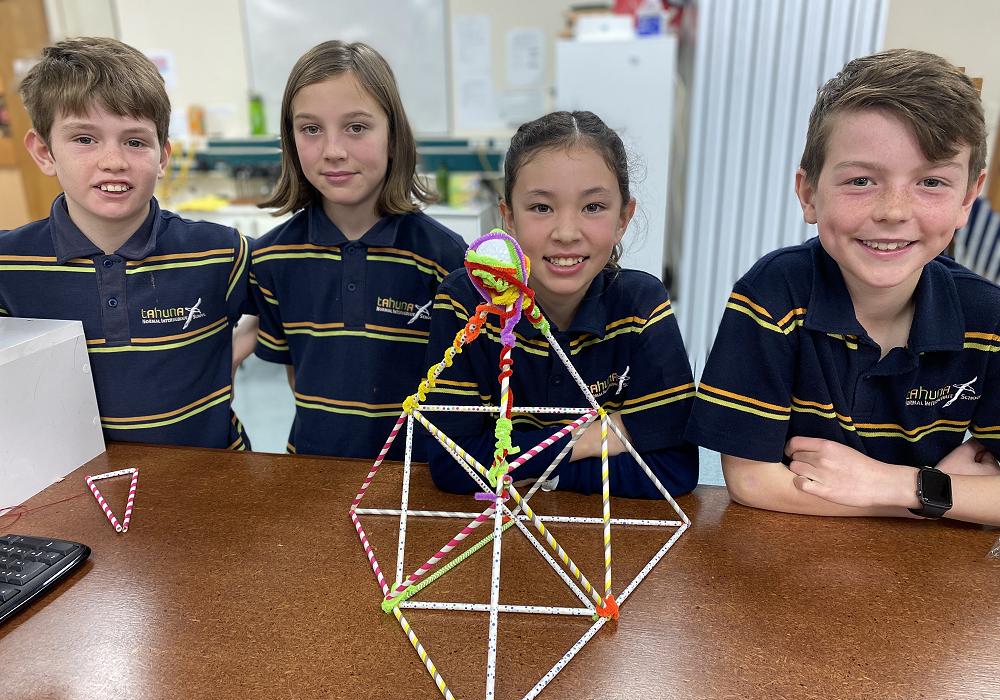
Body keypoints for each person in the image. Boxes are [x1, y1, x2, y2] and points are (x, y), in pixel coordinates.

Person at [685, 49, 1000, 524]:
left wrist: (892, 483)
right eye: (861, 180)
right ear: (809, 193)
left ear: (967, 199)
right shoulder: (773, 294)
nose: (893, 211)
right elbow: (751, 481)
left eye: (932, 182)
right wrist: (933, 495)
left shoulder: (988, 316)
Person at [424, 111, 699, 499]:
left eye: (593, 207)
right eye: (541, 207)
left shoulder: (641, 307)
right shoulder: (466, 301)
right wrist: (595, 436)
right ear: (508, 218)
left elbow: (674, 469)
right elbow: (452, 465)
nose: (566, 233)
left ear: (623, 218)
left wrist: (547, 472)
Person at [0, 37, 251, 449]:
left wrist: (236, 351)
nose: (113, 161)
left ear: (162, 156)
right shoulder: (8, 266)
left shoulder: (220, 251)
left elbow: (294, 281)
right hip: (79, 480)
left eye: (135, 141)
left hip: (215, 473)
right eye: (84, 139)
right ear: (44, 152)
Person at [250, 40, 466, 459]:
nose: (333, 151)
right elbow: (297, 375)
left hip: (415, 477)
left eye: (356, 127)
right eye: (311, 129)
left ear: (393, 137)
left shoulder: (444, 258)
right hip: (309, 470)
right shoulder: (271, 257)